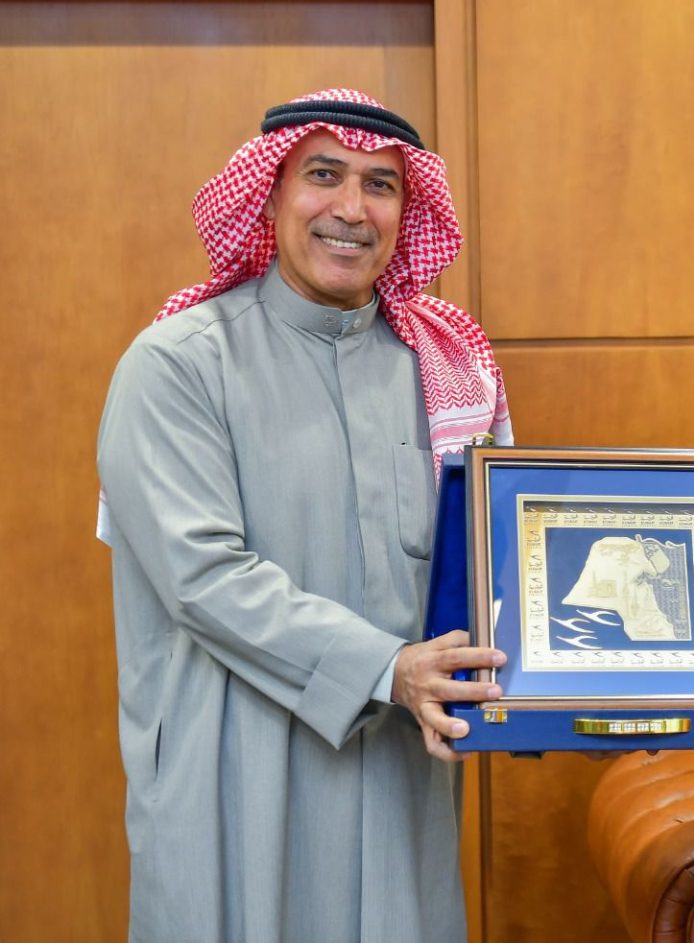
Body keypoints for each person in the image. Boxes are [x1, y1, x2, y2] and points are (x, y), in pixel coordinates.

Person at [97, 89, 514, 942]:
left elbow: (498, 565)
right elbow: (204, 577)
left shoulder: (447, 370)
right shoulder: (180, 363)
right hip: (234, 775)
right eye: (324, 175)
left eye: (381, 184)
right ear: (270, 195)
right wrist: (389, 667)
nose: (352, 209)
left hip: (397, 780)